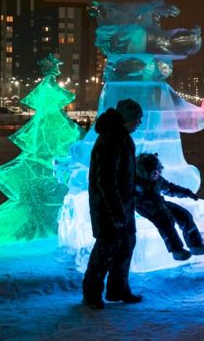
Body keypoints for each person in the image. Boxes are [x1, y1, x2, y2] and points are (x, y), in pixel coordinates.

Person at [82, 99, 143, 310]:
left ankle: (118, 289)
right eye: (137, 118)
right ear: (127, 118)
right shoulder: (111, 139)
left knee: (126, 245)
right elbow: (106, 180)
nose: (139, 122)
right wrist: (116, 212)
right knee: (105, 250)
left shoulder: (123, 138)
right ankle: (92, 294)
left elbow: (125, 173)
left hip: (123, 206)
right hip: (108, 208)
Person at [134, 152, 204, 261]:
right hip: (144, 206)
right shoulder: (136, 182)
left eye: (157, 170)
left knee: (184, 214)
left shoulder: (158, 180)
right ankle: (176, 250)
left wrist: (187, 193)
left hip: (159, 202)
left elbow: (171, 189)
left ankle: (195, 245)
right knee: (165, 220)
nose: (156, 174)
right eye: (152, 171)